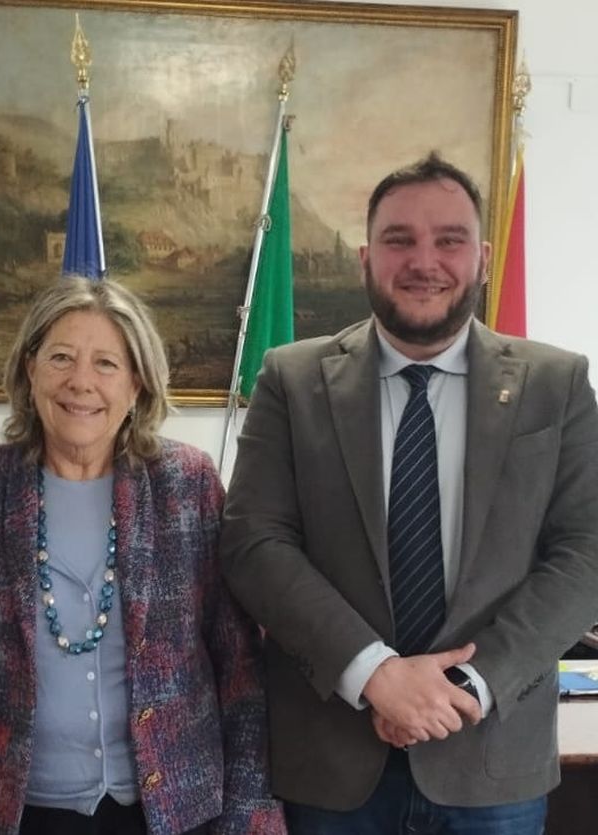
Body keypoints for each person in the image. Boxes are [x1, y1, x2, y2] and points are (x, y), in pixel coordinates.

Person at [220, 152, 598, 833]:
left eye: (449, 239)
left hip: (492, 762)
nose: (425, 261)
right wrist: (375, 674)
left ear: (483, 258)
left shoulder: (557, 383)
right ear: (366, 258)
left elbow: (586, 551)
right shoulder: (291, 379)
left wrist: (467, 687)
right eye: (400, 240)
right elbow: (255, 542)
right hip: (332, 764)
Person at [0, 278, 285, 835]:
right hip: (17, 815)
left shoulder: (188, 485)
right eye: (61, 357)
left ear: (137, 383)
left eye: (106, 363)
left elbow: (240, 669)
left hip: (176, 813)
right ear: (30, 369)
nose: (80, 382)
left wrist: (249, 816)